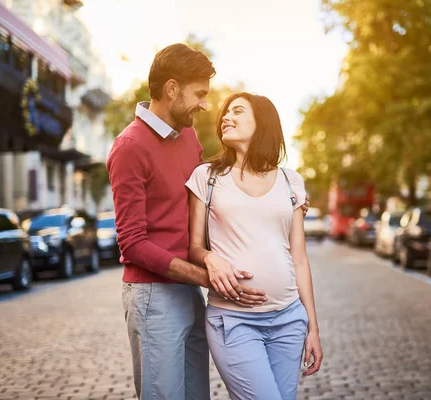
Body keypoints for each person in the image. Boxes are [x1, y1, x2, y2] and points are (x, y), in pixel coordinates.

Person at [106, 44, 269, 400]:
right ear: (172, 89)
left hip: (188, 290)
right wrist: (206, 277)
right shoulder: (129, 147)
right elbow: (132, 243)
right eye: (200, 94)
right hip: (152, 297)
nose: (205, 105)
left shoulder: (189, 136)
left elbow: (206, 202)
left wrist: (276, 194)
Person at [186, 92, 323, 400]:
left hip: (289, 320)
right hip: (233, 321)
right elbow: (193, 246)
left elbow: (299, 259)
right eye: (225, 113)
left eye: (237, 111)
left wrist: (312, 327)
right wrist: (210, 258)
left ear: (262, 122)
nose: (225, 117)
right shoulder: (206, 177)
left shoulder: (291, 181)